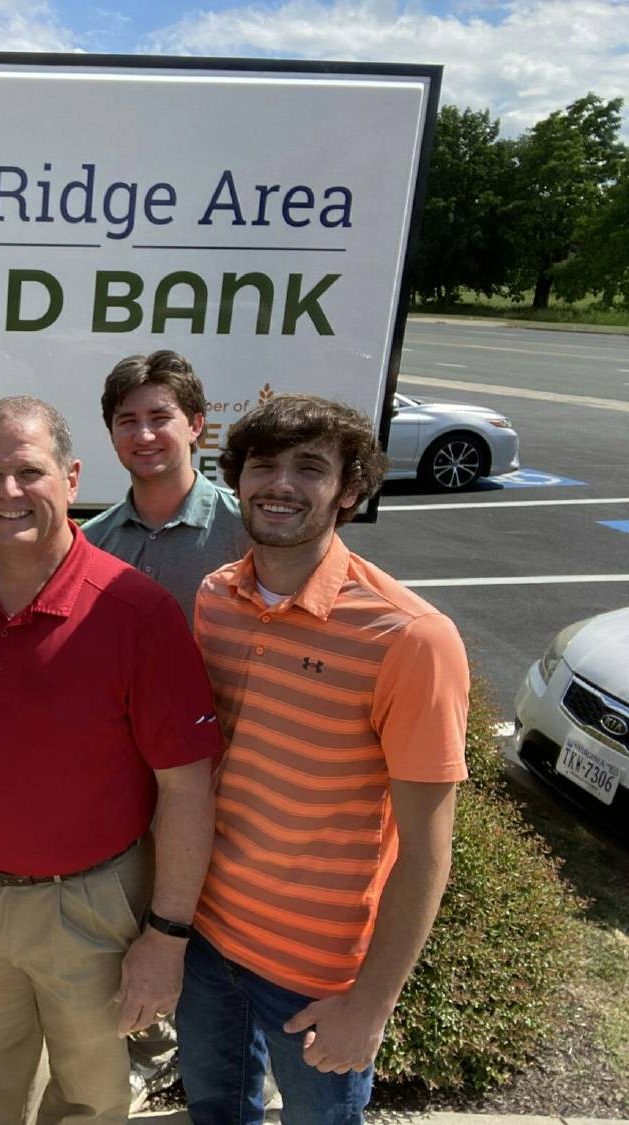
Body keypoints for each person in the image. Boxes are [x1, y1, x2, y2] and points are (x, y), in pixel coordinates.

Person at [0, 396, 222, 1125]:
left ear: (73, 477)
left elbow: (187, 788)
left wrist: (167, 935)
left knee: (92, 1090)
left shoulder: (136, 611)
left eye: (30, 471)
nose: (9, 491)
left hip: (88, 904)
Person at [180, 394, 469, 1125]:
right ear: (235, 478)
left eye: (309, 467)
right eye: (263, 464)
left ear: (349, 489)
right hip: (207, 939)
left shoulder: (410, 637)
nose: (280, 483)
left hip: (320, 976)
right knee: (217, 1112)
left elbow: (428, 850)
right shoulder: (216, 597)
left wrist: (372, 1001)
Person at [81, 350, 250, 622]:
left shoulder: (245, 527)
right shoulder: (91, 541)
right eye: (128, 421)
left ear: (195, 425)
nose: (144, 435)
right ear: (111, 432)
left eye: (159, 418)